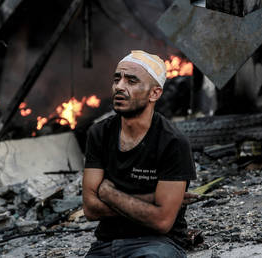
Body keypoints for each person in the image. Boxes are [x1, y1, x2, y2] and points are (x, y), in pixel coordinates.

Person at [82, 50, 197, 258]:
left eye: (131, 81)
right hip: (106, 244)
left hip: (158, 245)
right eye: (117, 79)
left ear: (155, 93)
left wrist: (109, 194)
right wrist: (151, 199)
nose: (119, 86)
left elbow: (162, 221)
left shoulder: (173, 142)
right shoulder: (98, 133)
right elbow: (90, 209)